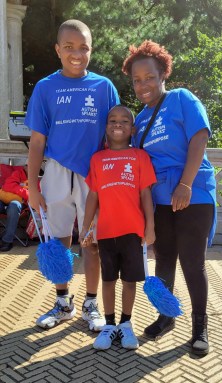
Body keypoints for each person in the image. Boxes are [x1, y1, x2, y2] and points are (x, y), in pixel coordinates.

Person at [122, 40, 217, 356]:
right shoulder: (139, 121)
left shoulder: (181, 99)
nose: (143, 85)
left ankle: (200, 327)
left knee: (192, 262)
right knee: (163, 260)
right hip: (160, 201)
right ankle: (166, 316)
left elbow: (199, 138)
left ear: (163, 74)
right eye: (137, 80)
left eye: (149, 77)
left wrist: (186, 184)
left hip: (193, 194)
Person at [25, 19, 120, 331]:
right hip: (54, 174)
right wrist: (33, 187)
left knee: (91, 241)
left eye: (83, 47)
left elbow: (116, 138)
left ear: (91, 50)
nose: (76, 53)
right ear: (57, 50)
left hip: (93, 178)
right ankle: (63, 302)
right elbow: (37, 142)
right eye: (69, 47)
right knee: (60, 242)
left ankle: (91, 304)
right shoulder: (44, 88)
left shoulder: (104, 87)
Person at [80, 105, 156, 350]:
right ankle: (110, 325)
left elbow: (146, 195)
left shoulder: (139, 157)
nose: (118, 124)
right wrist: (85, 228)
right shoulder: (97, 158)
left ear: (132, 129)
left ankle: (126, 324)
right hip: (105, 231)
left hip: (133, 231)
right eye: (112, 120)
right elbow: (93, 196)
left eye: (124, 121)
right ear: (106, 127)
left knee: (130, 280)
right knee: (109, 279)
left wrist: (150, 227)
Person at [0, 163, 28, 252]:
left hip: (20, 205)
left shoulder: (40, 177)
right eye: (27, 165)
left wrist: (17, 189)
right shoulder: (18, 173)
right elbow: (7, 186)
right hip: (4, 199)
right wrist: (25, 193)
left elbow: (38, 193)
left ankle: (7, 241)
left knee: (14, 206)